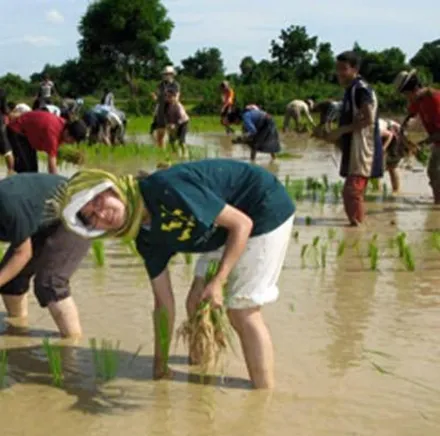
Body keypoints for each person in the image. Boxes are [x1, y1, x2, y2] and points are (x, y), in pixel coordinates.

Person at [58, 160, 295, 389]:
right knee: (196, 301)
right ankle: (202, 374)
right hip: (220, 229)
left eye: (97, 200)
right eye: (91, 217)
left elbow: (242, 224)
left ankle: (263, 398)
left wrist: (219, 280)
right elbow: (163, 303)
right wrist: (160, 364)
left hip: (262, 207)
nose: (101, 213)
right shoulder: (146, 239)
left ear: (112, 188)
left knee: (242, 312)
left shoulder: (166, 188)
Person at [0, 173, 90, 337]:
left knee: (50, 283)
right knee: (11, 281)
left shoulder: (7, 205)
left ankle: (71, 347)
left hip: (78, 212)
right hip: (42, 219)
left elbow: (23, 254)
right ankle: (19, 330)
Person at [321, 51, 383, 226]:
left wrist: (341, 131)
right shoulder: (351, 90)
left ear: (355, 69)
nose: (339, 73)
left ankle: (357, 233)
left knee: (352, 192)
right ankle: (355, 228)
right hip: (355, 146)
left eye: (344, 69)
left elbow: (369, 118)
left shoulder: (360, 89)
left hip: (363, 148)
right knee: (352, 192)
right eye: (337, 69)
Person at [394, 69, 440, 204]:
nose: (407, 99)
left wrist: (421, 144)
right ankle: (437, 205)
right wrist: (402, 131)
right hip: (437, 142)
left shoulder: (435, 100)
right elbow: (411, 115)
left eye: (407, 95)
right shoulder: (418, 100)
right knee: (433, 172)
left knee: (435, 172)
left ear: (415, 89)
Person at [5, 110, 87, 174]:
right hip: (17, 132)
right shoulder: (53, 134)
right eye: (72, 140)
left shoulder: (63, 125)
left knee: (32, 171)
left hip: (28, 137)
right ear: (68, 133)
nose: (72, 143)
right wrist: (57, 185)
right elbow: (51, 167)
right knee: (25, 170)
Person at [151, 66, 181, 148]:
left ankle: (174, 149)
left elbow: (176, 98)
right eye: (165, 74)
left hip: (171, 109)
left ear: (172, 75)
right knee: (160, 133)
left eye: (169, 74)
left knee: (172, 132)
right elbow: (157, 96)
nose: (167, 75)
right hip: (161, 109)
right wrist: (155, 97)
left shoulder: (175, 85)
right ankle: (161, 151)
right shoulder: (160, 84)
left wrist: (168, 99)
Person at [165, 90, 189, 156]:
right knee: (171, 141)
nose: (168, 98)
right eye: (167, 97)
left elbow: (182, 117)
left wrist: (175, 125)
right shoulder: (166, 106)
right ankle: (175, 153)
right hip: (173, 124)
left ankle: (185, 154)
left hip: (183, 123)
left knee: (181, 141)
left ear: (174, 97)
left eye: (170, 97)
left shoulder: (178, 106)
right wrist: (167, 124)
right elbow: (166, 116)